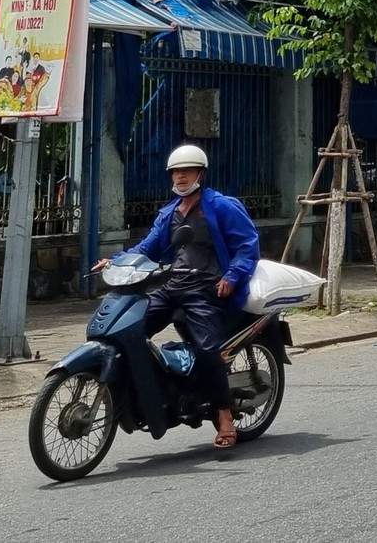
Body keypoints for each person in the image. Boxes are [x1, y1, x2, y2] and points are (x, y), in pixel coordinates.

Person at [94, 144, 259, 450]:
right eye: (175, 172)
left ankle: (224, 416)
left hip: (206, 289)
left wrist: (232, 276)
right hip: (171, 287)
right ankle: (150, 391)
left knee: (208, 349)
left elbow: (248, 246)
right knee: (128, 329)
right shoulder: (169, 213)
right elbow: (147, 249)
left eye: (187, 171)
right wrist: (116, 261)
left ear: (201, 173)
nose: (180, 176)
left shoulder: (222, 206)